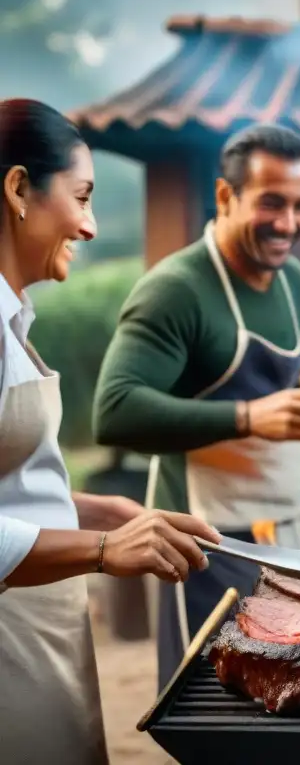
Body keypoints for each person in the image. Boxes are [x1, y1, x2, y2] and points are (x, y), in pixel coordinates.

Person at [0, 99, 220, 765]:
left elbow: (14, 489)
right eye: (82, 197)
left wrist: (112, 513)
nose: (92, 226)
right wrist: (102, 548)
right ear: (17, 189)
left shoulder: (15, 316)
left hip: (43, 629)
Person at [93, 123, 300, 688]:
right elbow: (115, 410)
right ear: (226, 196)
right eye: (271, 203)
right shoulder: (177, 289)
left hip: (290, 523)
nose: (289, 224)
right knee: (215, 703)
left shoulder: (290, 279)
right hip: (208, 539)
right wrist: (248, 418)